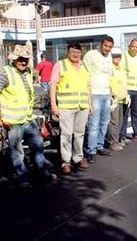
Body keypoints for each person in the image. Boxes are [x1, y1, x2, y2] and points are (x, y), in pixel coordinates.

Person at [0, 44, 57, 188]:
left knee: (38, 146)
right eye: (20, 58)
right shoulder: (6, 73)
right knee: (17, 152)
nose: (23, 61)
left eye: (25, 59)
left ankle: (42, 173)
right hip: (12, 122)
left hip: (27, 118)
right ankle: (22, 179)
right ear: (13, 59)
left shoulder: (28, 72)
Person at [50, 43, 91, 174]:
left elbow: (88, 86)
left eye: (78, 52)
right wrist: (53, 105)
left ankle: (78, 158)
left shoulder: (84, 66)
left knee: (80, 133)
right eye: (73, 52)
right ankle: (66, 162)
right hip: (66, 107)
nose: (75, 54)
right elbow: (53, 86)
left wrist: (90, 104)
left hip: (82, 106)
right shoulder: (60, 65)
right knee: (66, 135)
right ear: (68, 52)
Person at [83, 36, 114, 163]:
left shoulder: (109, 57)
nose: (107, 49)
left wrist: (111, 93)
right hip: (94, 93)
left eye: (110, 47)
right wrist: (87, 96)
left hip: (106, 94)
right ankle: (91, 150)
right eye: (106, 46)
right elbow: (84, 74)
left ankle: (100, 146)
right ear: (101, 45)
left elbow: (109, 76)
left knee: (104, 122)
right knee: (94, 124)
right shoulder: (91, 55)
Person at [119, 39, 137, 143]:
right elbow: (119, 73)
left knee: (136, 113)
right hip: (126, 90)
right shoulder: (123, 56)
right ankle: (122, 136)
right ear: (129, 46)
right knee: (124, 114)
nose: (134, 49)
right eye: (133, 46)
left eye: (136, 47)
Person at [106, 47, 129, 151]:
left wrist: (126, 95)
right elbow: (109, 82)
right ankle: (112, 142)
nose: (117, 58)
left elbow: (123, 83)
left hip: (121, 98)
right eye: (115, 56)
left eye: (119, 56)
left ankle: (117, 140)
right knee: (114, 122)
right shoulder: (110, 68)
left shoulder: (120, 68)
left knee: (119, 121)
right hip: (114, 98)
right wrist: (111, 96)